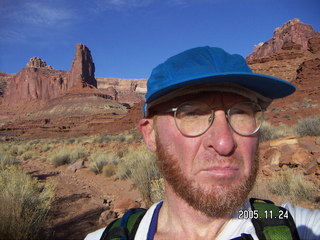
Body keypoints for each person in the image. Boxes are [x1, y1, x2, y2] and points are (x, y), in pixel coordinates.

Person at [85, 46, 320, 240]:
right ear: (150, 135)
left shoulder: (297, 229)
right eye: (192, 115)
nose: (224, 143)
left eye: (241, 113)